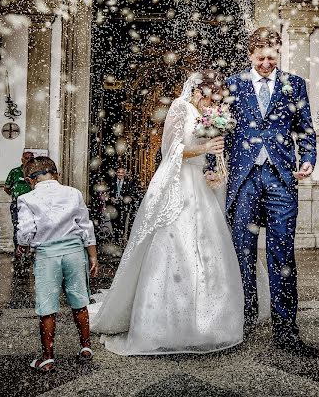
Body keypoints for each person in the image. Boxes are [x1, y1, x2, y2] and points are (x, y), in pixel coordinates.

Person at [89, 70, 246, 356]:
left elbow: (212, 151)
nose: (213, 104)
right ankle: (163, 323)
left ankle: (208, 322)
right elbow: (171, 149)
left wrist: (214, 166)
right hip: (178, 183)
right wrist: (203, 148)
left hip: (200, 184)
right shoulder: (179, 107)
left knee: (208, 249)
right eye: (211, 98)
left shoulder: (209, 115)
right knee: (175, 245)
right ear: (199, 92)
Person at [226, 27, 318, 357]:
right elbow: (219, 131)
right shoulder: (233, 85)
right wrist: (211, 164)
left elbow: (306, 130)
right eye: (260, 58)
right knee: (241, 254)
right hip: (244, 179)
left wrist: (308, 160)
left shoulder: (294, 85)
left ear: (279, 52)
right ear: (250, 54)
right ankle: (243, 320)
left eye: (272, 57)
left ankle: (286, 330)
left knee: (282, 255)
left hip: (281, 178)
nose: (266, 63)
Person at [16, 156, 99, 372]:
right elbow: (85, 226)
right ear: (57, 174)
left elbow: (25, 232)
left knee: (47, 306)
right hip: (74, 252)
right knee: (79, 300)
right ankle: (86, 346)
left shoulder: (27, 198)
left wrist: (25, 245)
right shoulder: (73, 193)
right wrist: (93, 256)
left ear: (29, 179)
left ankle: (48, 357)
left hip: (47, 255)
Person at [4, 151, 34, 253]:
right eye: (26, 158)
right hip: (16, 203)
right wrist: (16, 195)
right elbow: (6, 188)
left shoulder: (35, 172)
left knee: (31, 227)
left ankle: (28, 250)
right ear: (22, 159)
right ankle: (18, 251)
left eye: (31, 158)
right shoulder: (14, 172)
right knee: (17, 227)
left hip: (32, 204)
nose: (28, 160)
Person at [106, 167, 140, 244]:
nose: (120, 174)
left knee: (122, 223)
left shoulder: (128, 183)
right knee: (114, 223)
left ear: (124, 174)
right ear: (116, 173)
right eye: (118, 172)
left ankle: (120, 240)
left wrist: (123, 198)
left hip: (123, 207)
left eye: (122, 173)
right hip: (113, 206)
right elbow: (107, 192)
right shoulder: (111, 181)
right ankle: (115, 239)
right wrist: (111, 198)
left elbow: (131, 195)